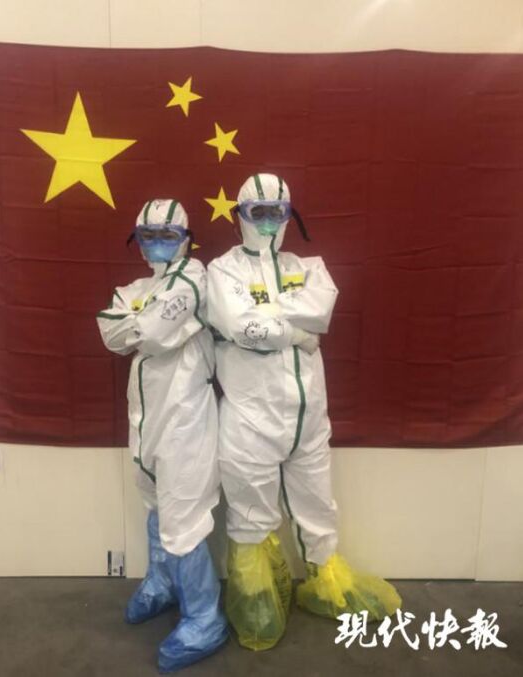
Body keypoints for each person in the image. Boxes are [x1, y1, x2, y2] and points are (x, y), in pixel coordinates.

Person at [207, 173, 401, 650]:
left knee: (317, 503)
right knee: (251, 510)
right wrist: (294, 331)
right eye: (258, 212)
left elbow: (320, 312)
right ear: (240, 214)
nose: (268, 222)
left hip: (309, 415)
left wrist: (269, 317)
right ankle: (256, 599)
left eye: (278, 212)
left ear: (290, 215)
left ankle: (328, 583)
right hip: (250, 418)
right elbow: (237, 326)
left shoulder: (309, 267)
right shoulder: (222, 271)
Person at [97, 198, 228, 672]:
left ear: (186, 240)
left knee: (182, 516)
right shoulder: (136, 288)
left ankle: (205, 619)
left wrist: (138, 324)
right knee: (154, 501)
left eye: (167, 236)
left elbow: (148, 334)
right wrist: (142, 324)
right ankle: (163, 583)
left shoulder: (194, 278)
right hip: (146, 420)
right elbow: (109, 332)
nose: (157, 244)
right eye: (148, 236)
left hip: (185, 421)